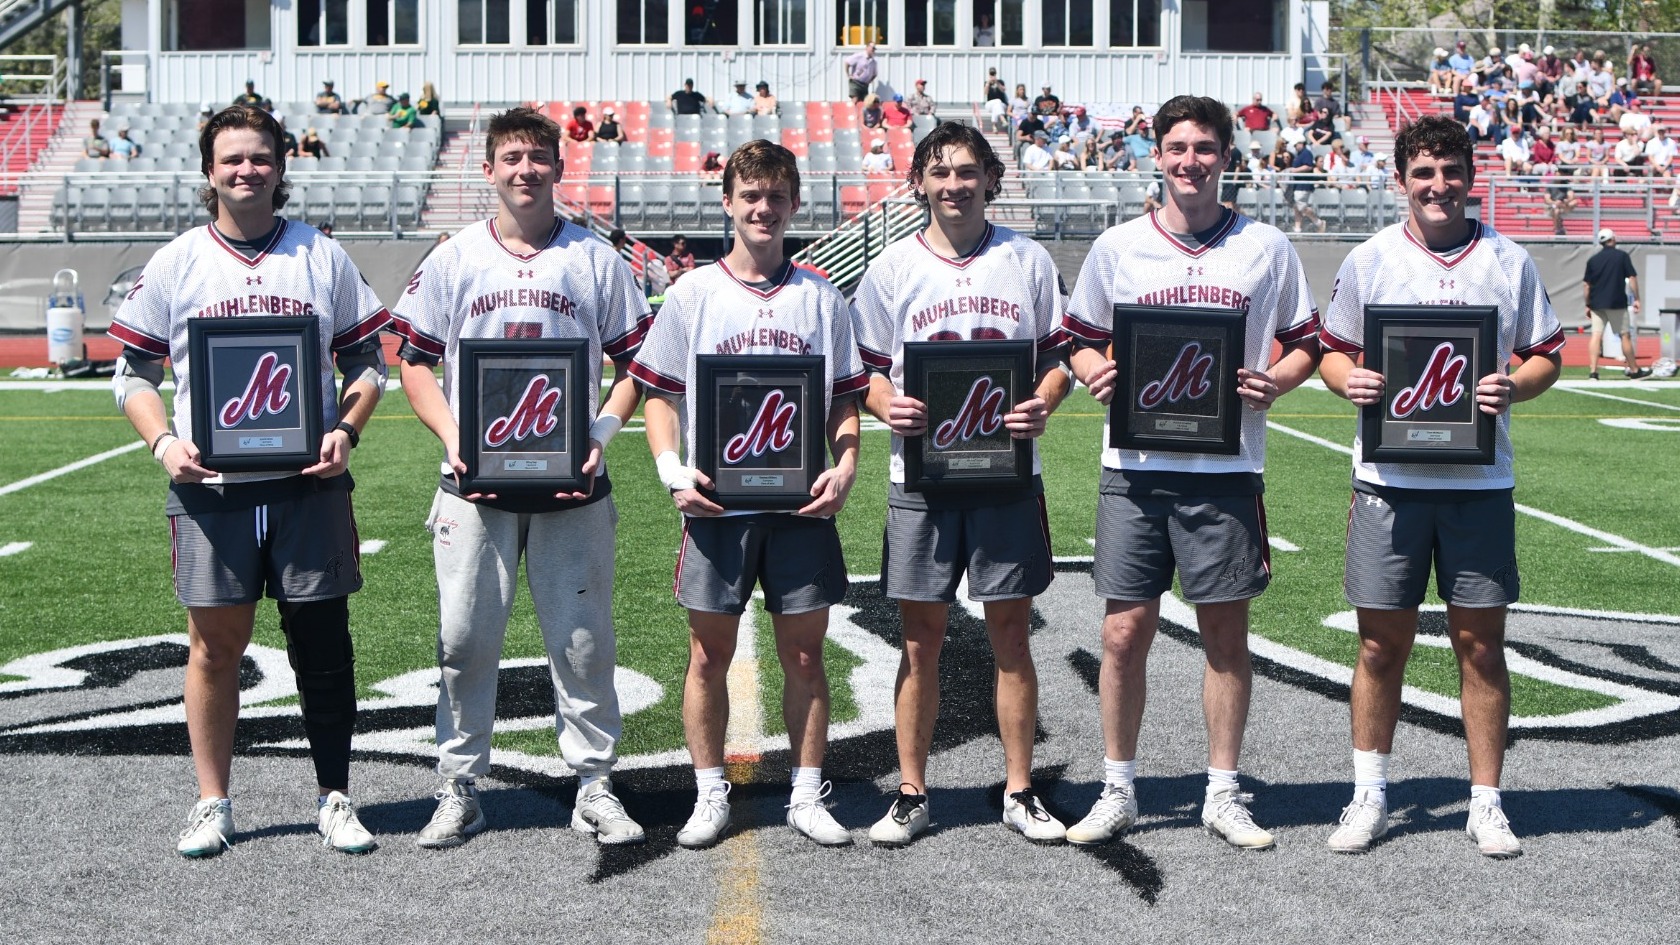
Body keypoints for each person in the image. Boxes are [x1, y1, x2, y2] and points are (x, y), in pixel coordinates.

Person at [106, 104, 390, 858]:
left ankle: (334, 793)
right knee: (213, 647)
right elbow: (131, 372)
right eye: (232, 159)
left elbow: (369, 362)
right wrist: (163, 441)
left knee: (323, 644)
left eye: (260, 158)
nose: (246, 170)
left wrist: (346, 428)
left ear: (281, 167)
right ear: (209, 172)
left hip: (308, 486)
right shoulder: (176, 261)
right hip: (212, 491)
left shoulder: (320, 256)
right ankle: (211, 799)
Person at [1059, 95, 1320, 852]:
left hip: (1225, 467)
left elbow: (1304, 341)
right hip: (1135, 469)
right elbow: (1078, 338)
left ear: (1226, 155)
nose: (1189, 161)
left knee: (1226, 637)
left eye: (1204, 147)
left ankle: (1223, 791)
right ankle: (1118, 787)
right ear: (1156, 154)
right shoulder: (1118, 247)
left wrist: (1279, 379)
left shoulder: (1266, 247)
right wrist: (1095, 371)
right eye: (1176, 147)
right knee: (1121, 633)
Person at [391, 106, 651, 850]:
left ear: (559, 167)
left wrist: (600, 433)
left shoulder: (596, 258)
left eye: (539, 156)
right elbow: (412, 358)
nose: (525, 169)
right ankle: (460, 784)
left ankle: (594, 780)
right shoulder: (454, 256)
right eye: (511, 157)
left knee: (581, 639)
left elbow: (638, 362)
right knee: (464, 636)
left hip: (572, 480)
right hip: (475, 479)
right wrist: (455, 435)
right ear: (489, 169)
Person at [1318, 114, 1565, 858]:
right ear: (1401, 180)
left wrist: (1513, 385)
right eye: (1423, 172)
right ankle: (1369, 792)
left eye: (1451, 170)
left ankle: (1486, 800)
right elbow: (1332, 352)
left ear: (1470, 175)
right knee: (1377, 645)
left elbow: (1546, 355)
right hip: (1388, 480)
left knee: (1481, 645)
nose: (1438, 185)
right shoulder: (1369, 259)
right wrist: (1349, 380)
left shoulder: (1508, 260)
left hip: (1478, 481)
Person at [629, 139, 869, 849]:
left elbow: (842, 404)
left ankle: (804, 790)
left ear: (795, 203)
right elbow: (659, 397)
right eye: (750, 195)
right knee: (708, 653)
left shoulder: (822, 297)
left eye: (776, 195)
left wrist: (846, 464)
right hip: (718, 505)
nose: (763, 207)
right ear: (728, 201)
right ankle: (709, 792)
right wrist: (672, 469)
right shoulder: (694, 293)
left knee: (805, 653)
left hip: (799, 507)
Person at [849, 121, 1071, 847]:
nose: (954, 184)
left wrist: (1043, 400)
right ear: (918, 181)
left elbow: (1059, 356)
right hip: (923, 475)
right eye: (940, 172)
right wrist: (889, 406)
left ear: (990, 180)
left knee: (1012, 632)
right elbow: (866, 371)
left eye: (968, 171)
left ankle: (1019, 787)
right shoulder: (891, 267)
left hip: (1007, 474)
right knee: (921, 638)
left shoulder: (1028, 259)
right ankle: (912, 790)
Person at [1583, 229, 1650, 379]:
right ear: (1612, 239)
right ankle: (1634, 370)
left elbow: (1587, 285)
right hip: (1617, 302)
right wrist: (1637, 298)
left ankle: (1593, 371)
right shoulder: (1622, 257)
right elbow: (1632, 278)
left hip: (1597, 303)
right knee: (1625, 336)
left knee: (1596, 335)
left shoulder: (1593, 260)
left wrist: (1587, 303)